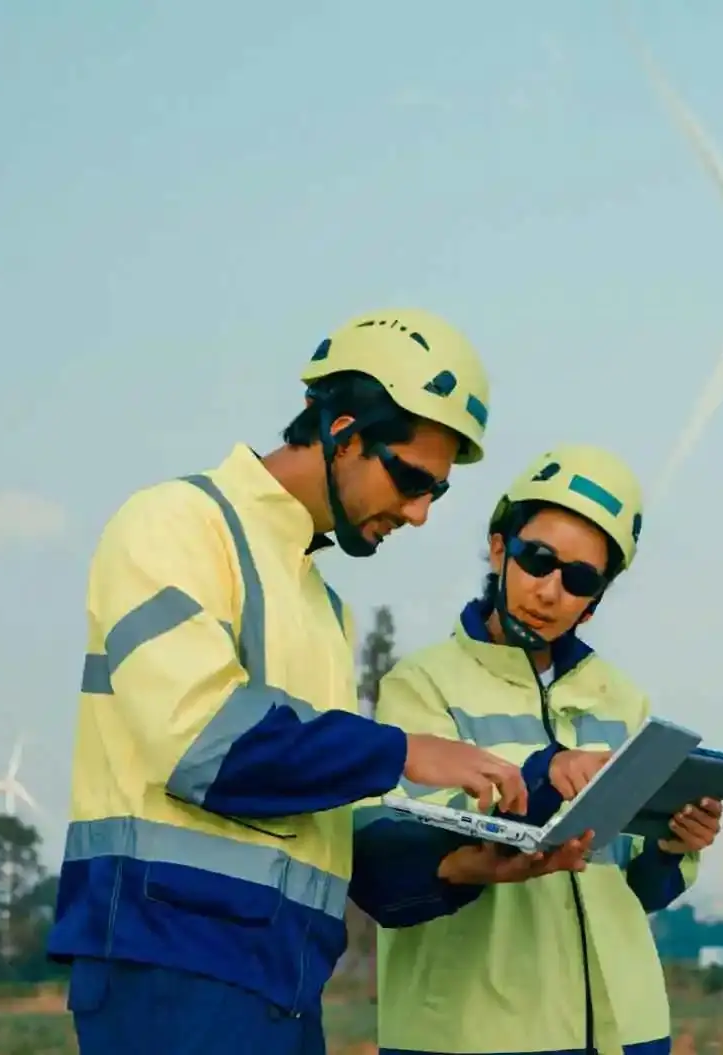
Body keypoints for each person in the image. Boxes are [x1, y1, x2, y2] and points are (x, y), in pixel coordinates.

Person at [49, 309, 531, 1055]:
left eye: (436, 491)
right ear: (341, 431)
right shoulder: (175, 522)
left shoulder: (324, 606)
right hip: (172, 975)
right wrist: (405, 748)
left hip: (285, 989)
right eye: (409, 479)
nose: (420, 513)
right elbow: (203, 744)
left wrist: (459, 863)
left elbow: (317, 819)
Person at [349, 443, 723, 1055]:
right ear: (500, 548)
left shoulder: (622, 699)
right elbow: (399, 855)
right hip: (473, 1036)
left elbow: (636, 891)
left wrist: (674, 843)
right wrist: (547, 774)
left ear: (596, 598)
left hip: (626, 1034)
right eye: (537, 560)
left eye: (578, 579)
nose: (549, 591)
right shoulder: (420, 685)